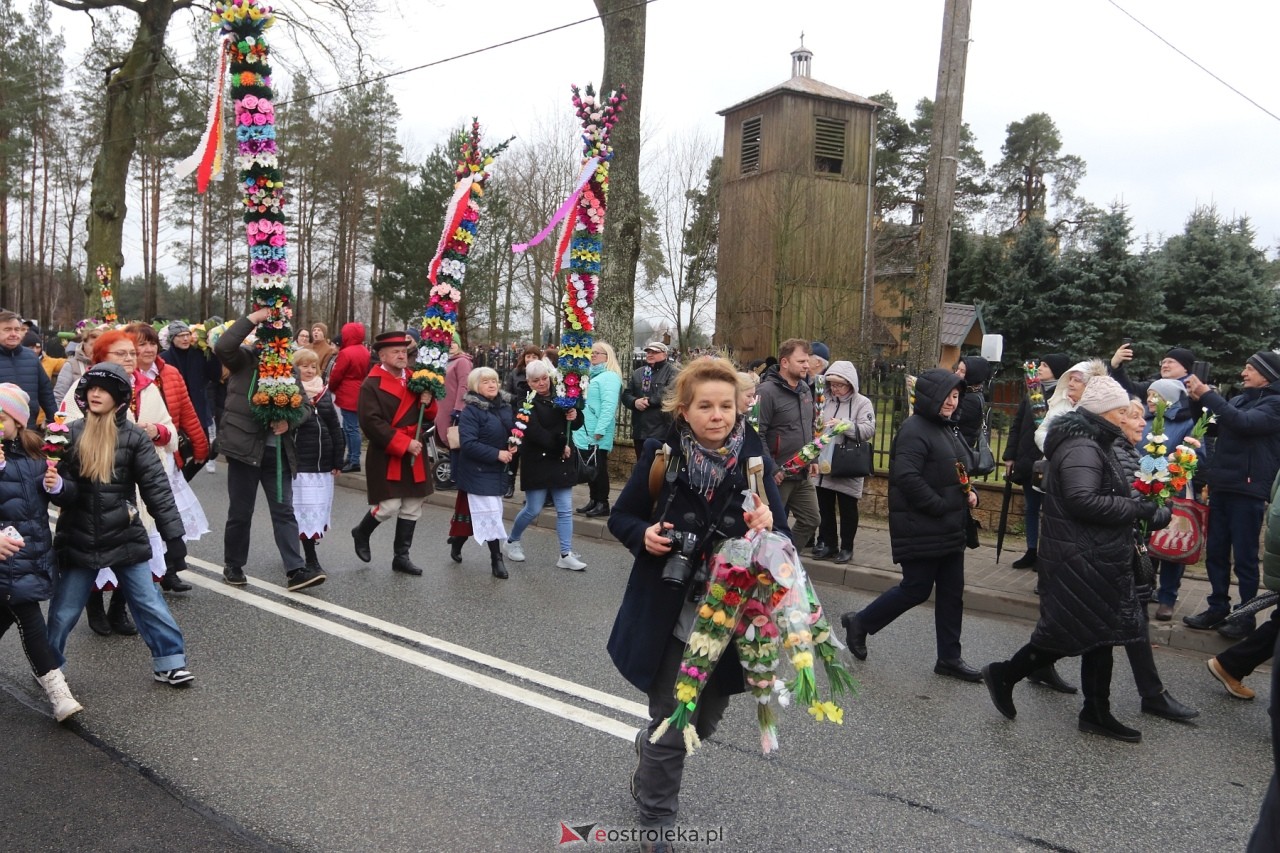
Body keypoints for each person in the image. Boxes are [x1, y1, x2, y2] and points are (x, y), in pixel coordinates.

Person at [607, 357, 786, 840]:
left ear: (739, 407)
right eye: (705, 405)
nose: (717, 415)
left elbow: (783, 532)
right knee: (672, 718)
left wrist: (767, 525)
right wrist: (642, 535)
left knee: (703, 722)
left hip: (729, 616)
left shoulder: (754, 464)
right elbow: (621, 518)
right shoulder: (660, 456)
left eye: (725, 405)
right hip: (670, 613)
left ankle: (648, 757)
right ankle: (656, 822)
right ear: (683, 410)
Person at [981, 376, 1173, 743]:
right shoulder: (1083, 446)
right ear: (1102, 412)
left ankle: (1096, 711)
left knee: (1101, 635)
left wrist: (1143, 506)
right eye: (1120, 411)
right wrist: (1137, 509)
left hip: (1095, 554)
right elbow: (1083, 500)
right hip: (1079, 556)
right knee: (1067, 634)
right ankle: (1005, 674)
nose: (1125, 417)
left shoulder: (1096, 442)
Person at [45, 363, 195, 688]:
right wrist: (55, 486)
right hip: (79, 537)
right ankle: (48, 667)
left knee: (149, 601)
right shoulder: (68, 434)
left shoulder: (135, 437)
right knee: (64, 610)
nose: (96, 394)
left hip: (125, 534)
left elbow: (156, 487)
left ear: (120, 398)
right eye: (91, 389)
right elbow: (63, 494)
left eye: (105, 390)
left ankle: (169, 662)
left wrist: (174, 536)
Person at [839, 368, 982, 682]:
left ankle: (949, 658)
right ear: (931, 396)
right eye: (947, 396)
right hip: (923, 524)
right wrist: (940, 505)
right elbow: (906, 477)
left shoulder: (947, 428)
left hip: (949, 526)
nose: (952, 402)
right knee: (916, 588)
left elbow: (959, 470)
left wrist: (970, 492)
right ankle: (860, 622)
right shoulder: (914, 429)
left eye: (956, 396)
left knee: (951, 593)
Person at [62, 329, 180, 634]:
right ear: (102, 357)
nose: (131, 358)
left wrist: (153, 431)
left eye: (132, 352)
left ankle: (119, 609)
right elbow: (65, 435)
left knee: (134, 551)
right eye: (121, 354)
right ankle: (95, 609)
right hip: (96, 487)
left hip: (137, 484)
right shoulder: (85, 388)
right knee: (91, 552)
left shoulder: (148, 388)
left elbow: (171, 432)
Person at [214, 309, 324, 592]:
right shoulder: (245, 359)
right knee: (241, 512)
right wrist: (253, 318)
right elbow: (223, 346)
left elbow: (305, 408)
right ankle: (233, 565)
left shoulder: (288, 368)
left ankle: (296, 570)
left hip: (277, 453)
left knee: (284, 511)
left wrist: (289, 421)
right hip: (244, 449)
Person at [1181, 352, 1280, 636]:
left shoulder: (1275, 404)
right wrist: (1195, 398)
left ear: (1267, 374)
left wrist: (1210, 396)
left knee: (1245, 558)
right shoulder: (1239, 399)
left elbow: (1243, 423)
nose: (1243, 373)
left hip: (1248, 490)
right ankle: (1217, 607)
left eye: (1249, 368)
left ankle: (1245, 616)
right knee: (1216, 552)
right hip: (1222, 485)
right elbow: (1211, 426)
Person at [0, 383, 83, 721]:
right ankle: (57, 690)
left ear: (18, 422)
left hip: (32, 553)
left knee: (11, 610)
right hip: (6, 555)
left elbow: (67, 496)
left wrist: (58, 486)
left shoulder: (38, 456)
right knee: (28, 616)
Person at [1113, 396, 1199, 721]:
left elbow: (1148, 505)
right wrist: (1162, 505)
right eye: (1136, 418)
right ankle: (1018, 668)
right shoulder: (1120, 455)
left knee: (1132, 623)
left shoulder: (1130, 453)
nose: (1142, 424)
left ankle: (1152, 694)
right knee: (1082, 628)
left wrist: (1170, 485)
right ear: (1119, 420)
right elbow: (1141, 506)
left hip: (1121, 553)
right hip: (1114, 556)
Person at [131, 322, 211, 591]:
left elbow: (186, 412)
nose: (148, 349)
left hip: (166, 453)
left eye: (152, 343)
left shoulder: (171, 373)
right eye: (142, 343)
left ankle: (169, 570)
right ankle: (141, 575)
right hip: (132, 459)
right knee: (144, 518)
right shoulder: (123, 376)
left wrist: (201, 446)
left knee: (169, 513)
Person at [351, 332, 437, 576]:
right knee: (388, 506)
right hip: (388, 451)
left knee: (412, 505)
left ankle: (401, 556)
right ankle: (362, 532)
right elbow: (370, 422)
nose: (402, 355)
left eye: (404, 351)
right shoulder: (372, 383)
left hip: (414, 448)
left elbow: (429, 414)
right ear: (382, 355)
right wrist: (402, 443)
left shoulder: (415, 379)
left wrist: (428, 402)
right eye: (395, 352)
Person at [505, 359, 586, 571]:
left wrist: (575, 415)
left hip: (561, 457)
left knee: (565, 509)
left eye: (544, 379)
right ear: (528, 382)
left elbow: (574, 424)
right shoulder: (525, 401)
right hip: (538, 458)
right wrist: (560, 447)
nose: (542, 384)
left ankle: (565, 553)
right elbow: (534, 432)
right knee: (533, 508)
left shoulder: (561, 394)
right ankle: (512, 540)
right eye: (536, 381)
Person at [1003, 354, 1071, 570]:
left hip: (1049, 460)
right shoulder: (1032, 391)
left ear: (1057, 369)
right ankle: (1031, 550)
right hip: (1027, 459)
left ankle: (1047, 553)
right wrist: (1010, 456)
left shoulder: (1064, 396)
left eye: (1045, 365)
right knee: (1031, 507)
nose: (1039, 368)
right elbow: (1017, 424)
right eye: (1040, 364)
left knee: (1049, 510)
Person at [756, 339, 821, 556]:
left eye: (807, 361)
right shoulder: (766, 392)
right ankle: (761, 570)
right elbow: (757, 433)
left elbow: (810, 426)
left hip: (801, 473)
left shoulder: (804, 389)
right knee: (769, 527)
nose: (806, 365)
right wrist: (771, 468)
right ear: (784, 362)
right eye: (801, 361)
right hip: (778, 476)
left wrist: (813, 458)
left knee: (812, 519)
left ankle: (785, 561)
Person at [811, 360, 873, 564]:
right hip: (824, 462)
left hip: (847, 463)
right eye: (832, 384)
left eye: (840, 385)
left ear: (850, 384)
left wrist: (845, 426)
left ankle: (847, 547)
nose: (835, 389)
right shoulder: (823, 399)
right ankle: (829, 544)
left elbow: (868, 430)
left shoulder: (862, 403)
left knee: (847, 509)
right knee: (824, 507)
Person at [454, 367, 515, 578]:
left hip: (499, 470)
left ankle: (457, 540)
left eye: (494, 381)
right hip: (477, 469)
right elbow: (468, 444)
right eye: (486, 381)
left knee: (482, 514)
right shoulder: (471, 411)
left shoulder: (506, 407)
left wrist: (515, 445)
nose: (492, 385)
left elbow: (514, 431)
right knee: (491, 514)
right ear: (475, 386)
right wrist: (496, 454)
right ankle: (496, 560)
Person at [291, 348, 343, 575]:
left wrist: (338, 459)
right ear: (295, 369)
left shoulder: (323, 394)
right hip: (301, 465)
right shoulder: (290, 394)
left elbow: (334, 427)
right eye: (304, 366)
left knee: (317, 512)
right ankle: (310, 560)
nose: (310, 371)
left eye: (313, 366)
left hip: (322, 465)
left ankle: (303, 549)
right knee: (303, 512)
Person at [574, 341, 623, 519]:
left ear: (607, 356)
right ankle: (594, 500)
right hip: (586, 429)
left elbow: (609, 406)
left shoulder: (609, 376)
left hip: (596, 431)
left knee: (599, 467)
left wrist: (601, 429)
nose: (592, 355)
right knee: (591, 467)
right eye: (591, 352)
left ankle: (603, 502)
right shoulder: (593, 375)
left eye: (597, 353)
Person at [0, 310, 56, 427]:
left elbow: (45, 391)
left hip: (29, 428)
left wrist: (54, 422)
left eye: (17, 329)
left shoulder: (31, 356)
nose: (14, 333)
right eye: (7, 329)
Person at [329, 321, 371, 473]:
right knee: (351, 427)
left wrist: (331, 388)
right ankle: (352, 457)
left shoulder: (346, 353)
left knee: (350, 428)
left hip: (347, 392)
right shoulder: (365, 351)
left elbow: (337, 374)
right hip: (360, 391)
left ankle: (354, 460)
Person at [503, 345, 543, 498]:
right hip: (517, 416)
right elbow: (506, 394)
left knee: (530, 454)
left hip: (535, 418)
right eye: (528, 356)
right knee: (514, 451)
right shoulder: (516, 373)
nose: (531, 359)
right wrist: (520, 399)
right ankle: (509, 483)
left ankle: (530, 491)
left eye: (534, 356)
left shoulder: (543, 375)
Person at [622, 341, 679, 444]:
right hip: (640, 431)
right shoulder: (638, 373)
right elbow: (626, 395)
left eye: (655, 352)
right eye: (648, 352)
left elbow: (669, 393)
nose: (650, 355)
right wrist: (635, 402)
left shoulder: (673, 372)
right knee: (641, 460)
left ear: (665, 354)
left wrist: (647, 401)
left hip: (662, 432)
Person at [54, 323, 107, 403]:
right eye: (92, 345)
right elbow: (59, 396)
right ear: (83, 344)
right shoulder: (71, 365)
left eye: (99, 345)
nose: (95, 349)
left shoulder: (108, 365)